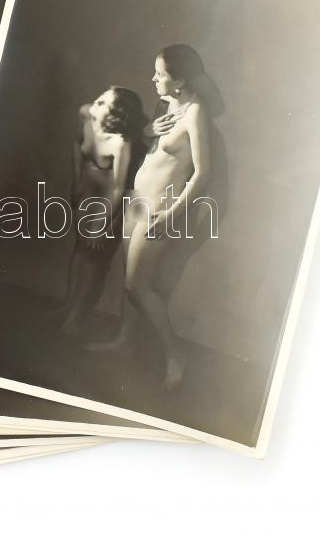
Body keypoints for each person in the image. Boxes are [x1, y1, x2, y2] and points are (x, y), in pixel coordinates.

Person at [123, 44, 212, 388]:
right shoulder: (168, 105)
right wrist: (147, 130)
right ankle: (122, 341)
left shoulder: (195, 113)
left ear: (180, 80)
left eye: (160, 74)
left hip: (160, 211)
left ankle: (176, 354)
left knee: (137, 286)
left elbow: (202, 173)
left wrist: (172, 215)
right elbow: (153, 148)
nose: (154, 79)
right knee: (128, 281)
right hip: (137, 203)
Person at [59, 86, 146, 335]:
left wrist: (101, 224)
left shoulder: (120, 143)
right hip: (88, 188)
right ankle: (67, 307)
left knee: (93, 257)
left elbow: (118, 189)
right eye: (100, 97)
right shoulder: (85, 114)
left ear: (115, 115)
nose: (95, 101)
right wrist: (76, 180)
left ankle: (76, 318)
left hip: (111, 199)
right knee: (79, 249)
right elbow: (77, 144)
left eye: (103, 102)